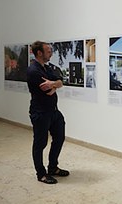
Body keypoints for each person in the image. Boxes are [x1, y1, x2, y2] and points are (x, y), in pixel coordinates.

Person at [27, 41, 69, 184]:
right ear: (39, 53)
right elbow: (47, 89)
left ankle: (53, 167)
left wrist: (54, 84)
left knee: (60, 137)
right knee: (40, 143)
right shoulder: (34, 71)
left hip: (53, 112)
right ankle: (41, 174)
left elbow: (60, 81)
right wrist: (54, 84)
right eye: (48, 50)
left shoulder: (45, 67)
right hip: (40, 113)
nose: (51, 52)